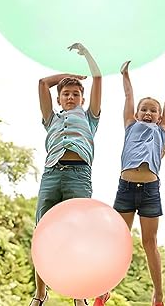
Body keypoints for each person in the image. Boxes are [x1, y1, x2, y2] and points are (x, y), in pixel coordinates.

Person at [29, 43, 102, 306]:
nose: (71, 98)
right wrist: (68, 75)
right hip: (52, 173)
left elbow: (98, 78)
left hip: (79, 174)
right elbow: (42, 83)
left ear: (82, 99)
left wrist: (86, 57)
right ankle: (40, 292)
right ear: (59, 99)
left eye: (75, 94)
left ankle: (78, 293)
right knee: (42, 231)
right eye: (66, 95)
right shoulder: (51, 119)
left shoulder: (90, 117)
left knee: (78, 232)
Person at [111, 60, 165, 306]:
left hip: (150, 190)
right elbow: (128, 94)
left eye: (153, 110)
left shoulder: (162, 131)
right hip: (126, 188)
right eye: (144, 110)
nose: (148, 113)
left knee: (149, 242)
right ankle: (104, 286)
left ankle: (158, 294)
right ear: (136, 113)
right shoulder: (130, 125)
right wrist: (125, 74)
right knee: (119, 238)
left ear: (159, 116)